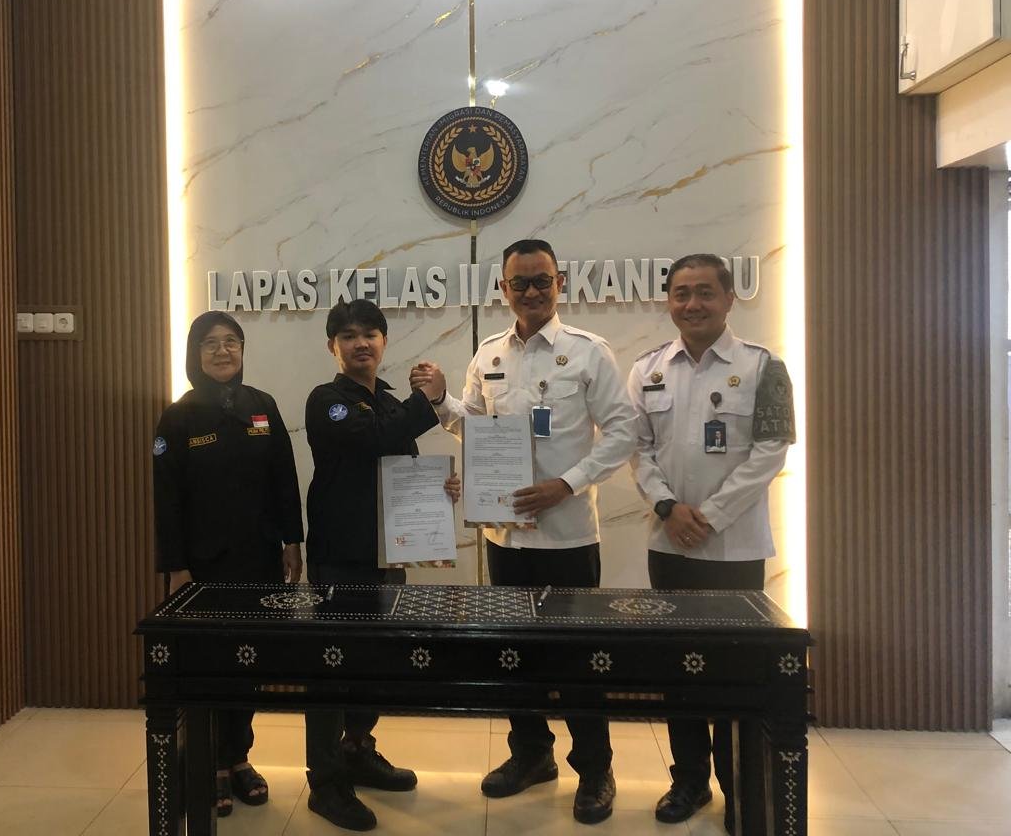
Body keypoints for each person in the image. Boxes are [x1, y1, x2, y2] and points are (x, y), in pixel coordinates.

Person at [410, 238, 637, 825]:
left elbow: (622, 432)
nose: (531, 291)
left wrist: (568, 483)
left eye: (542, 280)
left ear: (560, 283)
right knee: (512, 653)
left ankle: (595, 768)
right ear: (503, 289)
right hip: (505, 538)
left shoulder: (588, 353)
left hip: (567, 536)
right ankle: (532, 753)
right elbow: (473, 426)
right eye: (520, 283)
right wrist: (440, 400)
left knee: (580, 660)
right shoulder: (488, 354)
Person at [626, 253, 795, 835]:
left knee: (734, 671)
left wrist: (711, 517)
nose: (692, 304)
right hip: (668, 546)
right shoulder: (648, 368)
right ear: (668, 301)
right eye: (681, 293)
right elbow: (636, 449)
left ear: (728, 299)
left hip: (734, 550)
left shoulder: (764, 367)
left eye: (704, 292)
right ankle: (689, 780)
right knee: (678, 669)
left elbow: (770, 452)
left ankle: (738, 783)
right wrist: (669, 509)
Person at [304, 298, 459, 832]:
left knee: (374, 661)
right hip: (341, 556)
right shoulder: (327, 401)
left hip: (388, 555)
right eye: (348, 335)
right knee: (331, 666)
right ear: (333, 346)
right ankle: (326, 782)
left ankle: (358, 750)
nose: (361, 343)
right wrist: (430, 398)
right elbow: (375, 439)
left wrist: (438, 490)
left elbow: (400, 465)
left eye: (370, 333)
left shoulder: (390, 401)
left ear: (384, 342)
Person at [152, 311, 304, 817]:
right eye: (210, 343)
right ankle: (209, 763)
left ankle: (239, 757)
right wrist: (175, 567)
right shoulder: (178, 417)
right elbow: (167, 499)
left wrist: (292, 540)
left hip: (259, 560)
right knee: (209, 662)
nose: (222, 351)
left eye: (231, 342)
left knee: (248, 660)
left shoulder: (262, 406)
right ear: (195, 354)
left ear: (242, 350)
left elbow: (284, 478)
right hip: (202, 568)